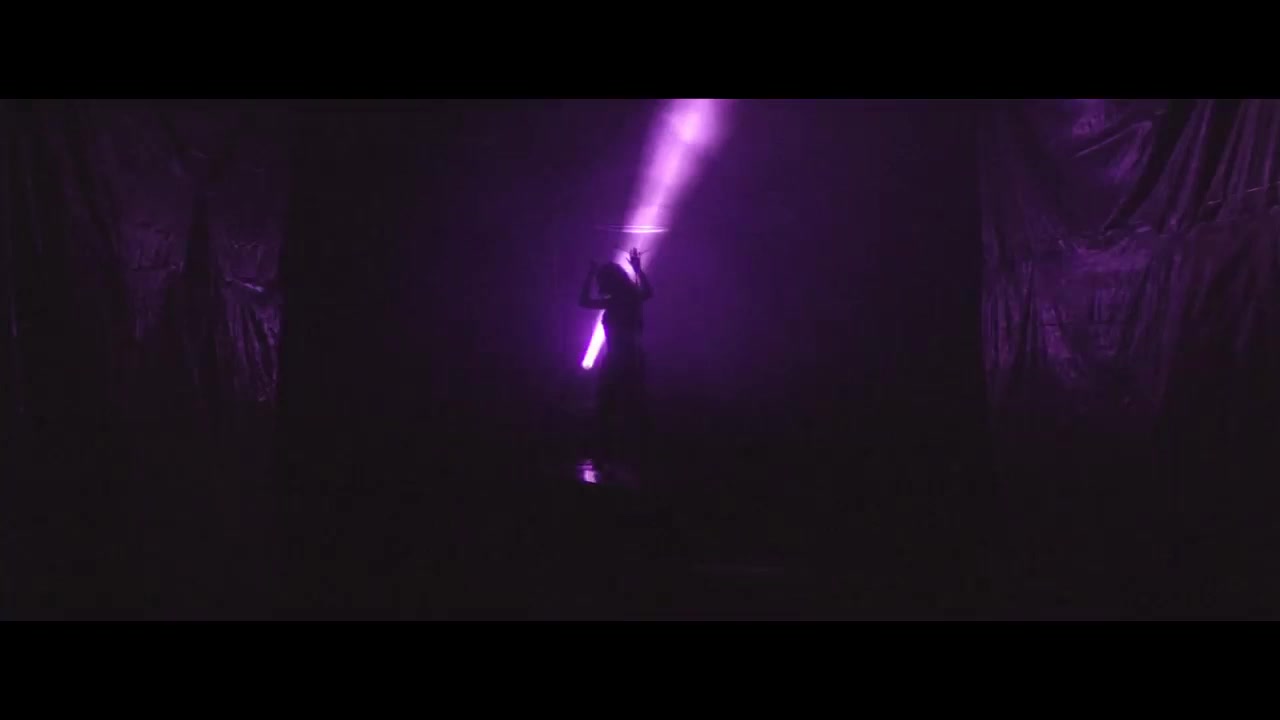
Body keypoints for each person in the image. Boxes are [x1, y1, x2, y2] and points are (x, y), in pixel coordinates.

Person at [580, 248, 653, 462]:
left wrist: (590, 273)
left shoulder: (619, 301)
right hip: (628, 357)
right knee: (626, 403)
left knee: (611, 404)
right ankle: (627, 452)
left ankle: (614, 452)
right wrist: (637, 270)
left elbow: (584, 301)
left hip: (622, 359)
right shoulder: (628, 299)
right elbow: (648, 293)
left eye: (602, 280)